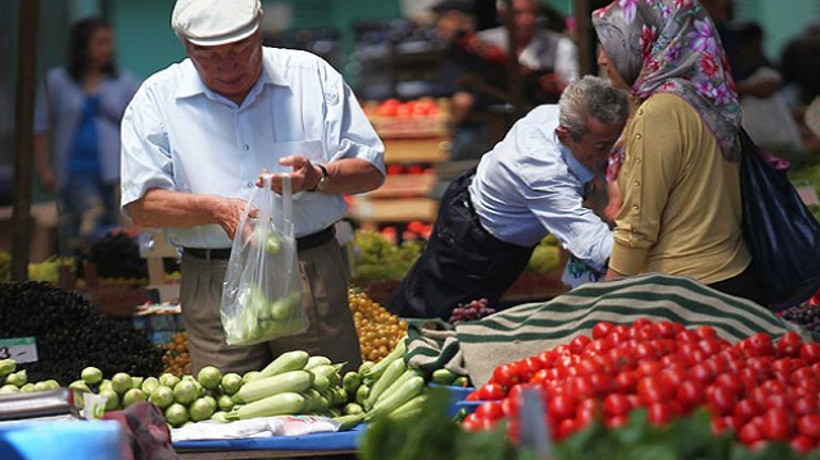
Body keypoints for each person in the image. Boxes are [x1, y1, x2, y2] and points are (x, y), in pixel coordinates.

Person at [119, 0, 385, 374]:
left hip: (309, 269)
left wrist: (318, 176)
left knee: (333, 396)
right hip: (214, 279)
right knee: (228, 413)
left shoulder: (310, 77)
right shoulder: (157, 99)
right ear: (185, 45)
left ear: (259, 30)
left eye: (239, 49)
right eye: (208, 56)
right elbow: (142, 206)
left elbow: (370, 170)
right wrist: (218, 210)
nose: (228, 66)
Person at [388, 76, 629, 319]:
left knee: (432, 291)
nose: (610, 153)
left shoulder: (559, 114)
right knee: (437, 315)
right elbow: (596, 247)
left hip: (481, 203)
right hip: (476, 240)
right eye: (602, 146)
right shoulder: (540, 170)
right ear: (564, 135)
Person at [592, 0, 765, 304]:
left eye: (612, 44)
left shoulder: (660, 111)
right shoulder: (704, 96)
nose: (603, 58)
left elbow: (637, 228)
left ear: (643, 43)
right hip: (731, 275)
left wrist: (606, 302)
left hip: (687, 291)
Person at [34, 17, 140, 254]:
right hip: (75, 168)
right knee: (89, 226)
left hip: (115, 170)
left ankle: (112, 283)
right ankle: (88, 278)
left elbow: (141, 119)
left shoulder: (122, 82)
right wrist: (44, 168)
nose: (107, 48)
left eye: (109, 42)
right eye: (100, 42)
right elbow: (40, 126)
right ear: (83, 46)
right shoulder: (58, 81)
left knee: (119, 231)